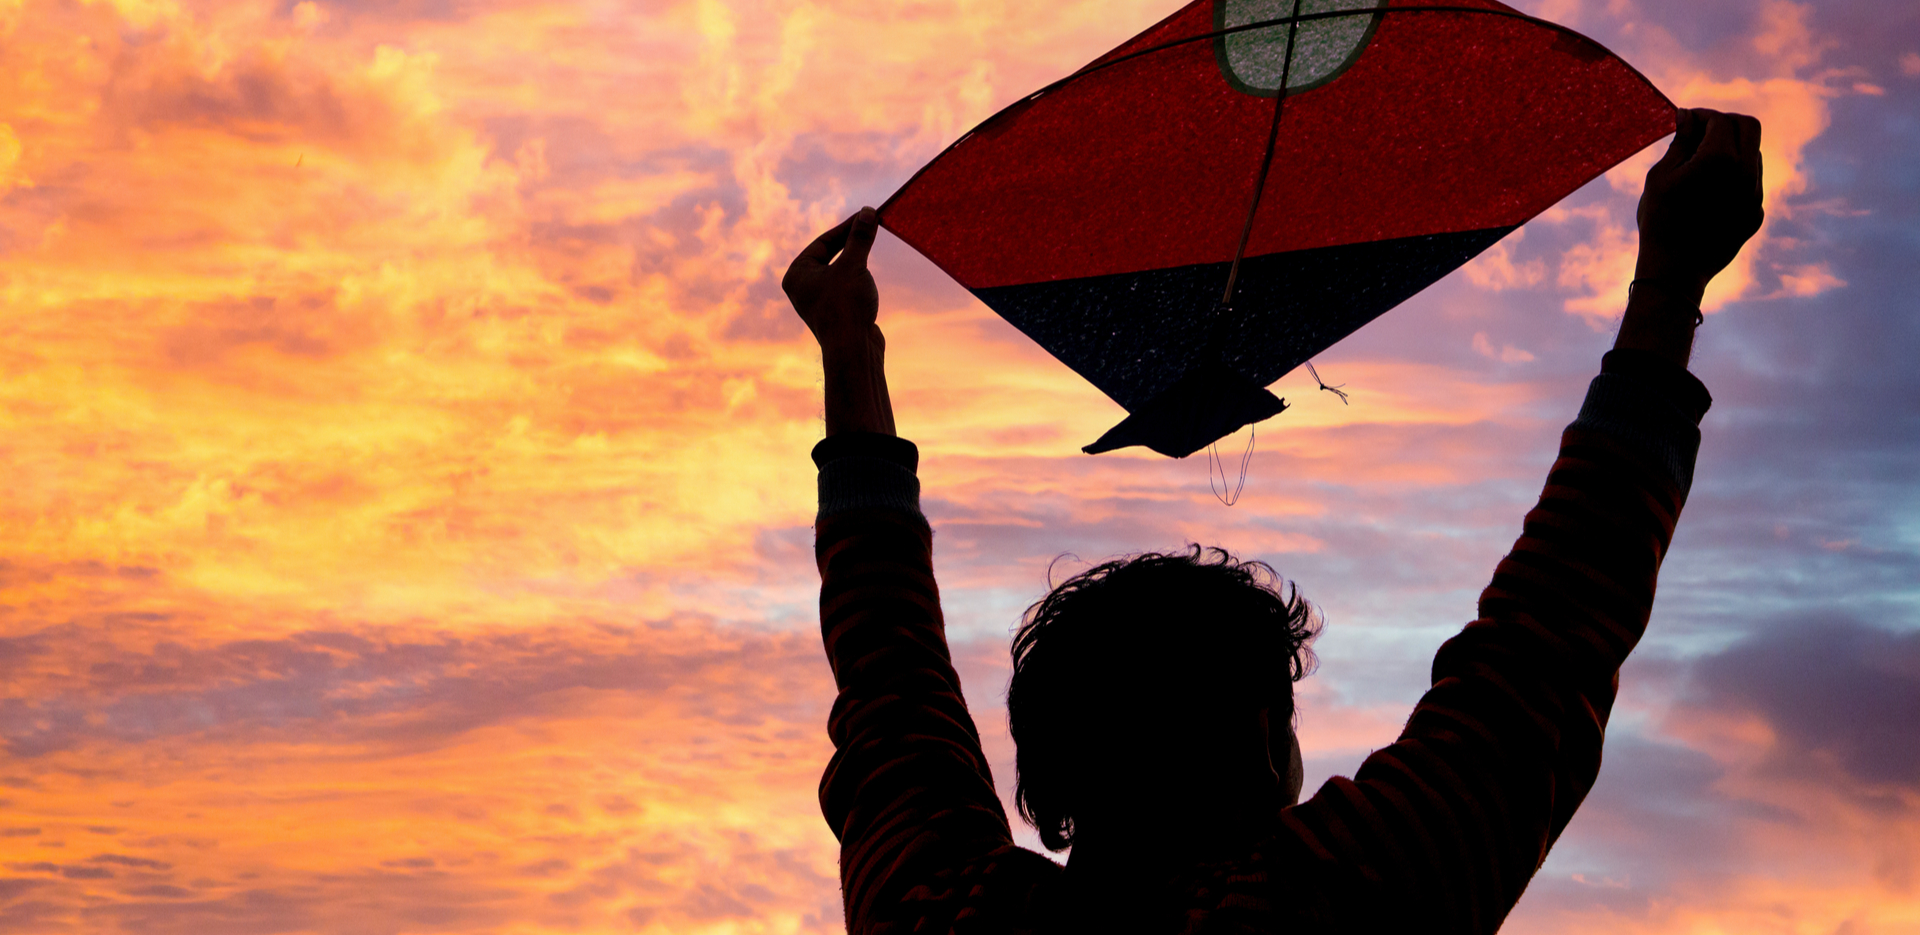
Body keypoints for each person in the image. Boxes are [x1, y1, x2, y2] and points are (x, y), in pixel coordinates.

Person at [783, 108, 1765, 934]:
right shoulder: (1328, 904)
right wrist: (1672, 279)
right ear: (1263, 739)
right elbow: (1548, 638)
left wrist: (850, 353)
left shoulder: (942, 915)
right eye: (1288, 712)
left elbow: (890, 684)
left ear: (1048, 771)